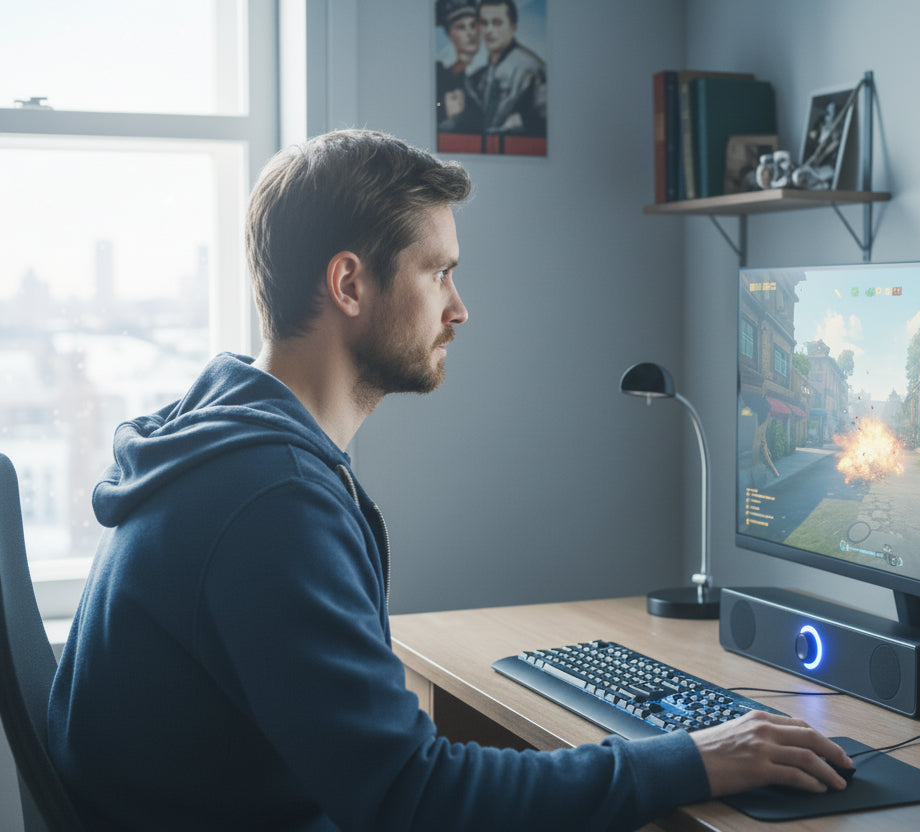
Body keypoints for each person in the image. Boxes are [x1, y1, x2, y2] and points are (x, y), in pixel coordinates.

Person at [47, 129, 852, 831]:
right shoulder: (269, 501)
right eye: (439, 273)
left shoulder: (230, 438)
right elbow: (411, 797)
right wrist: (692, 760)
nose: (459, 308)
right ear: (350, 284)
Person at [465, 0, 547, 137]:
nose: (489, 30)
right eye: (484, 23)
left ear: (513, 27)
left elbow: (540, 122)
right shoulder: (477, 76)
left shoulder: (531, 69)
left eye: (497, 23)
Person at [436, 0, 483, 133]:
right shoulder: (443, 77)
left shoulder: (490, 72)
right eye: (461, 27)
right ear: (449, 34)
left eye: (473, 25)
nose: (470, 33)